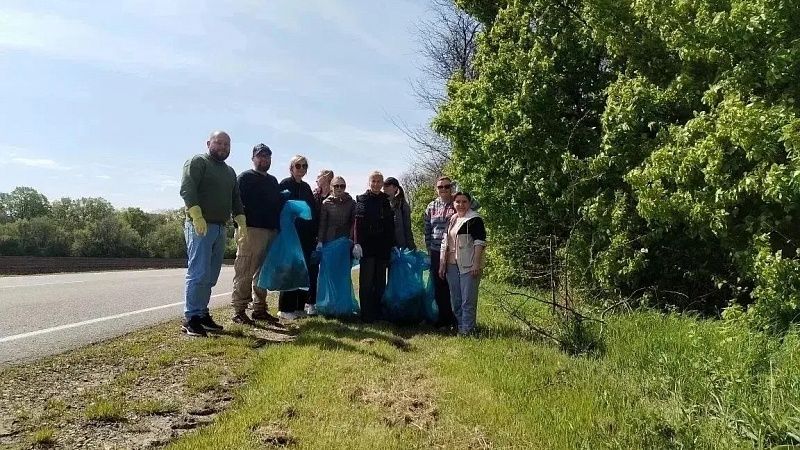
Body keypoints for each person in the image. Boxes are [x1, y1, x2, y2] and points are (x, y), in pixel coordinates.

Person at [179, 130, 246, 337]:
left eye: (227, 144)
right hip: (200, 226)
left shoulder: (229, 172)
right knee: (198, 272)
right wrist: (196, 216)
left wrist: (240, 220)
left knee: (210, 275)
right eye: (219, 143)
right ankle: (190, 318)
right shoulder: (198, 162)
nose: (223, 147)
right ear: (209, 143)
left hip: (219, 227)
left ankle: (202, 313)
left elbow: (236, 198)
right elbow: (187, 188)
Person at [230, 143, 282, 325]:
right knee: (245, 269)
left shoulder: (273, 181)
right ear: (253, 158)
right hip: (250, 230)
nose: (264, 159)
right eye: (260, 156)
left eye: (267, 156)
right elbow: (234, 202)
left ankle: (259, 309)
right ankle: (239, 310)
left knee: (262, 273)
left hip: (270, 231)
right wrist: (239, 224)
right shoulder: (244, 178)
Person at [438, 192, 487, 336]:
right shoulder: (452, 219)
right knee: (456, 300)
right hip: (451, 264)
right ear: (453, 203)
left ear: (469, 203)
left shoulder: (474, 219)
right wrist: (442, 263)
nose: (460, 204)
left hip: (468, 265)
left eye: (464, 201)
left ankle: (468, 331)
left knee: (468, 300)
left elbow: (480, 242)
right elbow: (444, 242)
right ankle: (461, 327)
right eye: (457, 201)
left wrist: (476, 263)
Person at [277, 155, 318, 320]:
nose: (301, 169)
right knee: (290, 270)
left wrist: (314, 234)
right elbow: (279, 208)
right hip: (289, 235)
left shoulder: (307, 188)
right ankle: (285, 308)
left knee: (304, 270)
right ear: (291, 168)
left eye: (304, 166)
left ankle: (299, 307)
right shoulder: (285, 184)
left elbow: (312, 212)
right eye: (298, 166)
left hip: (306, 237)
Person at [354, 171, 395, 322]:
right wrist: (357, 243)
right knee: (366, 282)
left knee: (379, 282)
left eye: (379, 181)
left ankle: (378, 313)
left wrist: (392, 245)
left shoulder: (386, 200)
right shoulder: (361, 199)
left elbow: (390, 225)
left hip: (383, 245)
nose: (376, 184)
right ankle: (365, 314)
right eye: (374, 181)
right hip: (367, 245)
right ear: (369, 182)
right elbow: (357, 223)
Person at [423, 176, 458, 329]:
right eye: (440, 187)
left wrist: (457, 195)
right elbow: (427, 230)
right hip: (436, 251)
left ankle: (458, 320)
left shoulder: (458, 202)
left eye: (447, 186)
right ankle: (444, 318)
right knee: (439, 286)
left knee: (455, 286)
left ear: (451, 187)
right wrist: (429, 249)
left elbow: (475, 206)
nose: (443, 189)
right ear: (436, 189)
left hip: (454, 251)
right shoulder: (431, 206)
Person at [318, 176, 355, 245]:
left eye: (342, 186)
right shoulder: (326, 203)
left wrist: (351, 239)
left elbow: (354, 224)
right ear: (331, 187)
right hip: (329, 240)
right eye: (336, 186)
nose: (339, 188)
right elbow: (322, 224)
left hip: (345, 241)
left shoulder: (351, 202)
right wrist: (320, 241)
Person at [382, 177, 415, 250]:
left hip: (400, 246)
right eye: (383, 186)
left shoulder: (402, 205)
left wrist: (412, 248)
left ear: (395, 188)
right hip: (385, 246)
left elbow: (407, 228)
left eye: (387, 186)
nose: (384, 188)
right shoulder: (382, 203)